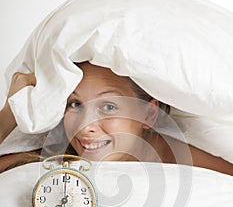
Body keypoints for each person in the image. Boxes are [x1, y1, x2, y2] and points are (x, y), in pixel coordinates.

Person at [0, 62, 233, 175]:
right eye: (75, 104)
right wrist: (11, 111)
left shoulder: (178, 156)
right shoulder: (55, 153)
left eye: (109, 106)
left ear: (148, 114)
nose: (85, 126)